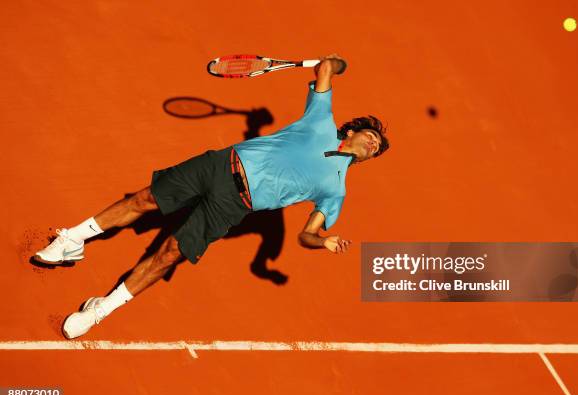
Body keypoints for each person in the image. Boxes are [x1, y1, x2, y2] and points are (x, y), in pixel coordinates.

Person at [33, 54, 390, 339]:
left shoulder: (335, 191)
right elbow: (330, 66)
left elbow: (306, 234)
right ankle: (73, 239)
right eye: (371, 136)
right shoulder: (320, 120)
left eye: (376, 148)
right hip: (219, 165)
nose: (373, 144)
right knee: (144, 200)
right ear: (353, 130)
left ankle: (99, 310)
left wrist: (322, 242)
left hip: (234, 205)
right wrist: (333, 62)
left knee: (169, 253)